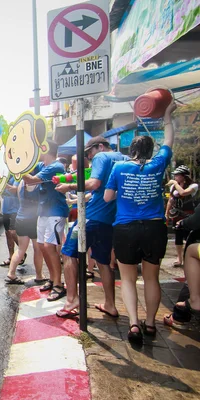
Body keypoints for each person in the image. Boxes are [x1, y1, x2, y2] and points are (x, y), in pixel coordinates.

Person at [104, 101, 176, 344]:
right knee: (151, 278)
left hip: (125, 228)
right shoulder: (158, 164)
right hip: (155, 227)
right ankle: (151, 323)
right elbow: (168, 141)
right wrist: (167, 116)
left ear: (131, 149)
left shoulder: (119, 167)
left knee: (127, 278)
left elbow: (107, 197)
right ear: (149, 151)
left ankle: (133, 324)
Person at [55, 136, 128, 319]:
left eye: (89, 153)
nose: (89, 158)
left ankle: (72, 299)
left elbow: (94, 184)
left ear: (100, 147)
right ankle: (110, 304)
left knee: (68, 253)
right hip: (110, 220)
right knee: (103, 262)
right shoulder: (125, 159)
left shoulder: (102, 157)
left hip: (91, 219)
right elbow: (103, 191)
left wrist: (69, 186)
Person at [22, 141, 69, 301]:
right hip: (43, 212)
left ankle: (58, 284)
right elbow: (29, 170)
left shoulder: (55, 167)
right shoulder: (43, 165)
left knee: (50, 246)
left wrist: (19, 165)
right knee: (42, 246)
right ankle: (52, 278)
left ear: (46, 149)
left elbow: (31, 180)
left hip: (56, 211)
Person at [5, 168, 46, 285]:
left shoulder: (21, 184)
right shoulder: (39, 185)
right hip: (34, 220)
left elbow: (19, 198)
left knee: (21, 249)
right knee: (37, 249)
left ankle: (11, 273)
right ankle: (39, 275)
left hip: (21, 218)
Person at [165, 165, 198, 267]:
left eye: (177, 175)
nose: (175, 177)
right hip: (177, 214)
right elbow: (171, 200)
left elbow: (183, 193)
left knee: (189, 237)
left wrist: (175, 183)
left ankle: (189, 257)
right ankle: (179, 259)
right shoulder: (173, 187)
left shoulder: (193, 186)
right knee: (178, 237)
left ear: (184, 176)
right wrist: (167, 213)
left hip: (189, 214)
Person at [0, 176, 26, 268]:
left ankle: (22, 252)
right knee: (8, 234)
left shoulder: (17, 177)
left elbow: (15, 190)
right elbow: (2, 194)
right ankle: (11, 257)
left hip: (15, 210)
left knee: (13, 232)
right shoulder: (6, 177)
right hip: (5, 209)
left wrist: (3, 183)